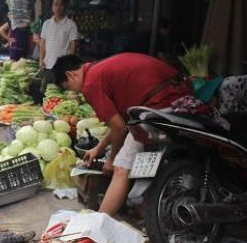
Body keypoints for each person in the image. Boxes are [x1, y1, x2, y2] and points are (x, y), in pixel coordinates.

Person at [52, 53, 192, 217]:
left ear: (70, 74)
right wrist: (99, 148)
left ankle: (99, 226)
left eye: (68, 87)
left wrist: (112, 159)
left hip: (164, 102)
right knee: (132, 157)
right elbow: (120, 122)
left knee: (121, 167)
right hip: (177, 94)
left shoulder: (91, 83)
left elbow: (119, 127)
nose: (74, 91)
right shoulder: (98, 68)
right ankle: (142, 206)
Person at [39, 0, 80, 92]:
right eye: (56, 4)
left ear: (64, 7)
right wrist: (41, 60)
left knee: (61, 92)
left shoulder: (71, 24)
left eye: (61, 5)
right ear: (52, 7)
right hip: (48, 64)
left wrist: (70, 63)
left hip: (62, 66)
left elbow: (73, 44)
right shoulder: (46, 24)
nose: (58, 7)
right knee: (45, 93)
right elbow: (42, 43)